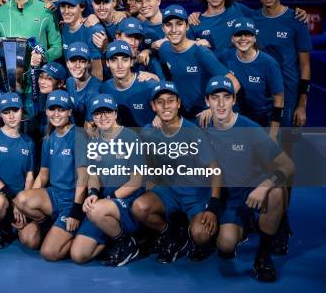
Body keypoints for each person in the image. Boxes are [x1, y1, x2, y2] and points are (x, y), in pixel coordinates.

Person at [204, 76, 294, 281]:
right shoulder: (201, 127)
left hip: (255, 187)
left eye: (226, 97)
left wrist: (265, 186)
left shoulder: (249, 128)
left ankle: (263, 255)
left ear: (234, 101)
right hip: (231, 197)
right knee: (225, 246)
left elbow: (287, 165)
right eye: (215, 98)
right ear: (207, 101)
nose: (220, 103)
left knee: (276, 192)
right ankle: (248, 224)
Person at [252, 0, 312, 254]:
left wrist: (302, 104)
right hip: (259, 103)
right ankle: (266, 214)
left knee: (284, 163)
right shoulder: (251, 19)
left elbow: (305, 67)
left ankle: (282, 221)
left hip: (287, 103)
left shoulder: (296, 20)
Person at [133, 82, 221, 263]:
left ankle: (190, 231)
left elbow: (216, 172)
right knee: (139, 207)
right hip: (169, 192)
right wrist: (151, 183)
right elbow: (148, 162)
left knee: (201, 236)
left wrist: (212, 207)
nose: (166, 106)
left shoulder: (193, 133)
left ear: (178, 103)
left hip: (196, 195)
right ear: (153, 106)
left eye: (170, 101)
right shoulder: (149, 132)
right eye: (160, 102)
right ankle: (171, 234)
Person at [70, 94, 144, 266]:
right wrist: (93, 193)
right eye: (98, 114)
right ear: (93, 118)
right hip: (104, 202)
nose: (103, 117)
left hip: (127, 200)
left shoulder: (131, 137)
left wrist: (108, 200)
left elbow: (137, 180)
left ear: (116, 113)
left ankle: (126, 243)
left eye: (107, 112)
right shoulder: (94, 140)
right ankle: (112, 237)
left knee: (95, 210)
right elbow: (94, 174)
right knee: (78, 255)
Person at [14, 90, 87, 261]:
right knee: (21, 200)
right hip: (54, 196)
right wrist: (23, 205)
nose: (56, 114)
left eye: (61, 109)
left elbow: (84, 177)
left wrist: (75, 211)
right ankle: (48, 224)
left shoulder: (79, 135)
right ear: (46, 111)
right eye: (52, 109)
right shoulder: (49, 138)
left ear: (69, 112)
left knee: (49, 253)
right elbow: (43, 175)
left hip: (72, 201)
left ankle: (78, 229)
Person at [188, 0, 308, 55]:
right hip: (213, 85)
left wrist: (294, 13)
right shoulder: (196, 22)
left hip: (242, 81)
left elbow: (268, 15)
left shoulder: (239, 10)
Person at [157, 5, 239, 126]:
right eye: (169, 25)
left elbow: (234, 83)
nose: (174, 29)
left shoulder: (201, 52)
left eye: (179, 24)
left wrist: (213, 109)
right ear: (163, 28)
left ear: (187, 26)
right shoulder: (164, 49)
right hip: (182, 116)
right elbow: (168, 76)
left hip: (204, 117)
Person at [0, 93, 35, 248]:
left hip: (20, 198)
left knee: (31, 241)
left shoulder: (29, 142)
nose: (11, 116)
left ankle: (13, 227)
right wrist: (14, 200)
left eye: (15, 111)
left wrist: (23, 202)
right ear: (0, 114)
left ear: (21, 111)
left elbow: (30, 176)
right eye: (6, 112)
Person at [219, 20, 284, 138]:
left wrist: (273, 135)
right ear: (232, 39)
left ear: (254, 38)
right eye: (238, 34)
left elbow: (279, 99)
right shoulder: (226, 56)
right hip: (236, 121)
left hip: (263, 122)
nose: (243, 38)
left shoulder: (269, 64)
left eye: (248, 34)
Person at [100, 41, 158, 128]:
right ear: (107, 63)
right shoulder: (105, 88)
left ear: (131, 62)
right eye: (114, 60)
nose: (120, 66)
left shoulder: (148, 85)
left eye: (125, 60)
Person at [58, 0, 104, 79]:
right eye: (63, 6)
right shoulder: (63, 27)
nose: (66, 11)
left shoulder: (94, 30)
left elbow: (98, 74)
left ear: (82, 7)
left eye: (71, 6)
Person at [65, 42, 102, 127]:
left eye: (82, 61)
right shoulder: (69, 82)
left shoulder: (95, 91)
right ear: (67, 63)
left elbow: (90, 126)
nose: (77, 65)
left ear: (89, 63)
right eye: (73, 61)